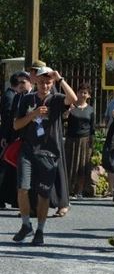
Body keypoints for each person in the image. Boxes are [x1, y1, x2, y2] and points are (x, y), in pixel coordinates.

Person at [12, 67, 77, 245]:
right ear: (36, 82)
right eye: (42, 82)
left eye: (48, 82)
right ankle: (26, 225)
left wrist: (60, 79)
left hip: (48, 153)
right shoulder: (27, 99)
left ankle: (40, 230)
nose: (45, 85)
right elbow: (16, 125)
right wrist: (33, 114)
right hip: (28, 150)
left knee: (44, 194)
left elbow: (74, 99)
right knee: (22, 189)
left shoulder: (56, 99)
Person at [0, 71, 31, 209]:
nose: (20, 85)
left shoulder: (33, 96)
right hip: (14, 137)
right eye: (18, 83)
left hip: (28, 139)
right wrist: (5, 136)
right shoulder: (14, 97)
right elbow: (8, 118)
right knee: (10, 167)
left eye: (23, 82)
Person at [64, 83, 95, 198]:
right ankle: (67, 189)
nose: (82, 94)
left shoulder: (90, 110)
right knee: (69, 164)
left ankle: (79, 191)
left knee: (82, 165)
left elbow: (92, 128)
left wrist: (92, 143)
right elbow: (62, 121)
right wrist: (67, 113)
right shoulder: (71, 106)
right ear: (76, 93)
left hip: (84, 141)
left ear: (89, 96)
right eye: (80, 92)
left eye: (85, 93)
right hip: (71, 140)